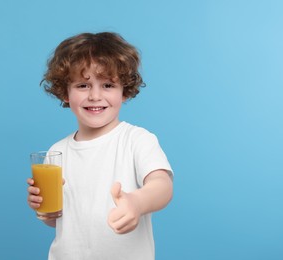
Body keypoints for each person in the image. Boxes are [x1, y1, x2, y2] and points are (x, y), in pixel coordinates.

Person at [27, 32, 173, 260]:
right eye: (83, 85)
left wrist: (136, 202)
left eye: (107, 85)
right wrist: (43, 208)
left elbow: (162, 186)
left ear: (124, 91)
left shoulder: (136, 139)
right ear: (66, 92)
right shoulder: (58, 152)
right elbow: (60, 222)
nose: (95, 96)